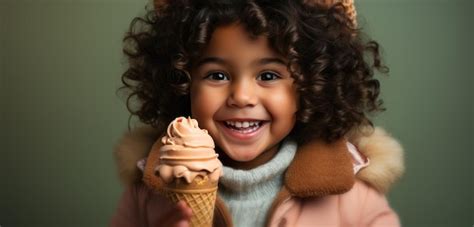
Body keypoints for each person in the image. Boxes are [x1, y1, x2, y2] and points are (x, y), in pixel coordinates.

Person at [110, 0, 405, 226]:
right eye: (217, 75)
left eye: (267, 76)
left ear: (311, 85)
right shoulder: (149, 194)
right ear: (183, 83)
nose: (241, 97)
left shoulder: (351, 194)